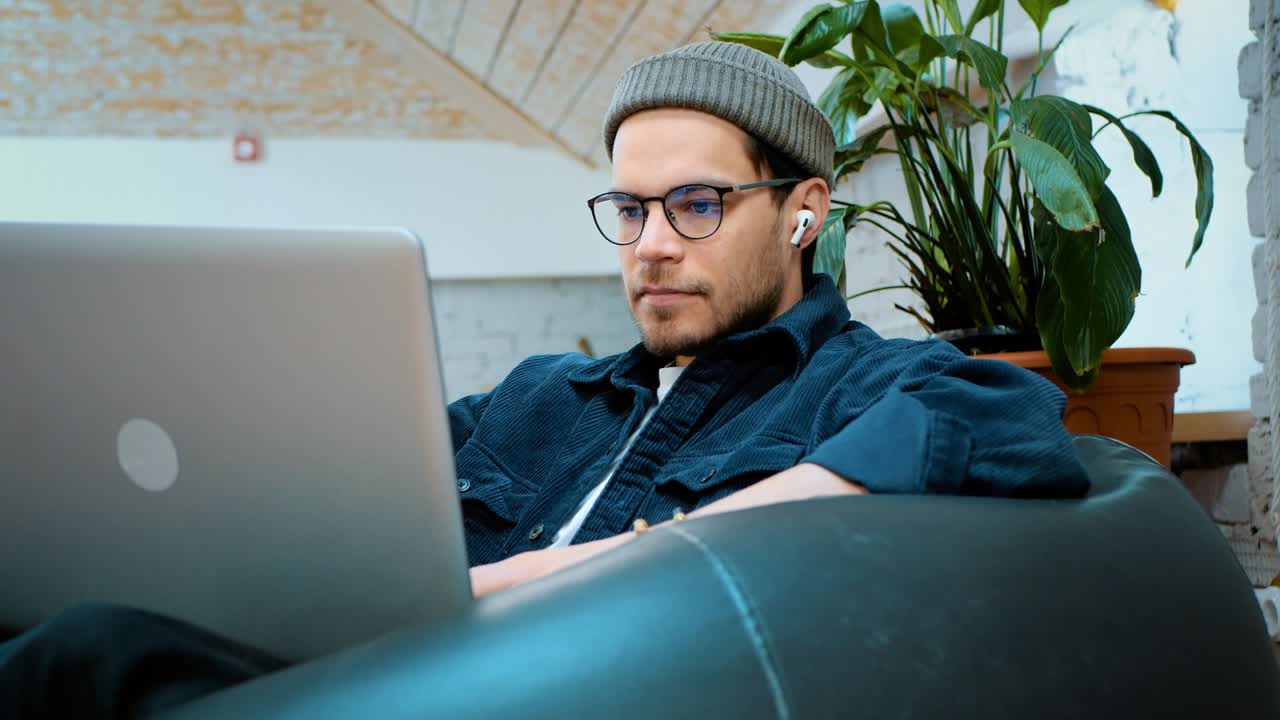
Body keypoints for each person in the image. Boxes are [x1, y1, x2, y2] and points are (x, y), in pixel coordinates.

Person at [0, 41, 1089, 717]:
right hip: (365, 673)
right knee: (62, 624)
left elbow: (1012, 416)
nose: (650, 244)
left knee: (88, 654)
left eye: (695, 205)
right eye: (629, 210)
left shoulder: (856, 384)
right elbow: (340, 475)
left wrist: (648, 551)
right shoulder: (536, 401)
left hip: (552, 694)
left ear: (801, 211)